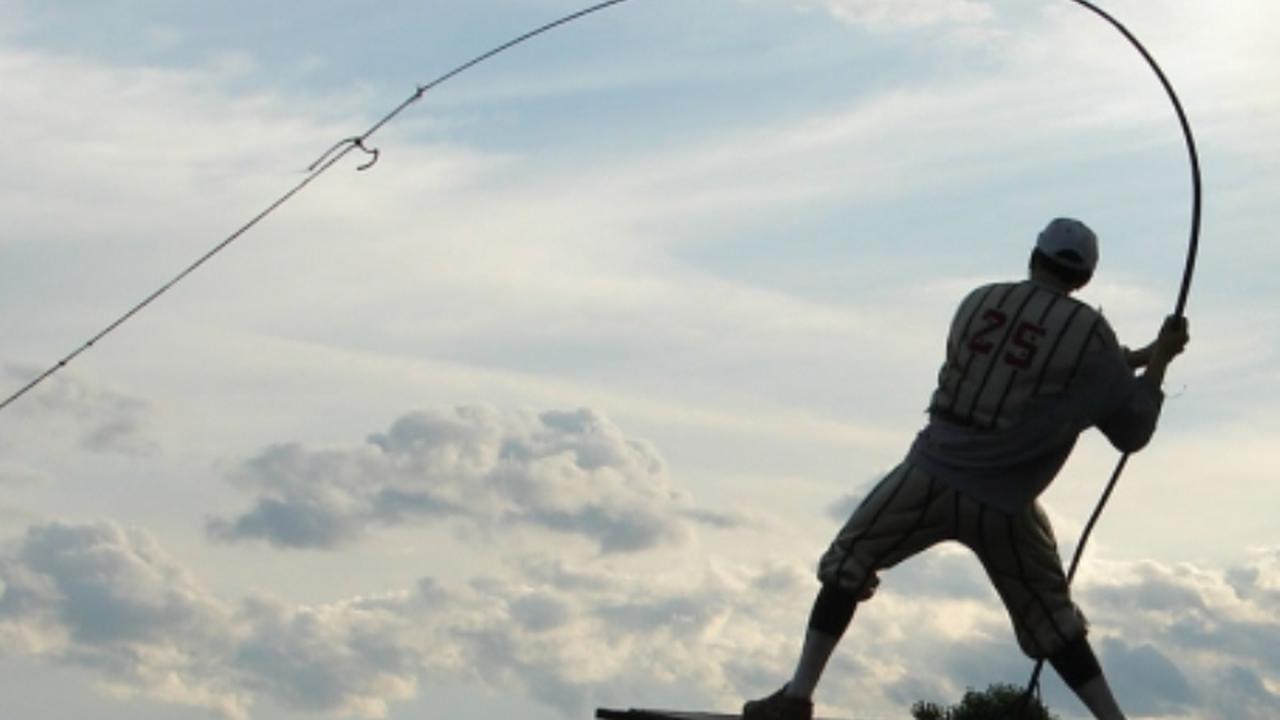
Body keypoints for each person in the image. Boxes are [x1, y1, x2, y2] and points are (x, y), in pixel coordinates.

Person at [742, 218, 1190, 720]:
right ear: (1085, 278)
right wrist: (1159, 362)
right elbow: (1130, 429)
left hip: (930, 473)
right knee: (1053, 620)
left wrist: (1145, 355)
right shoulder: (1091, 335)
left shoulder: (978, 301)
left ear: (1034, 258)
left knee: (848, 563)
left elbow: (1037, 365)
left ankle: (797, 696)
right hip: (1005, 502)